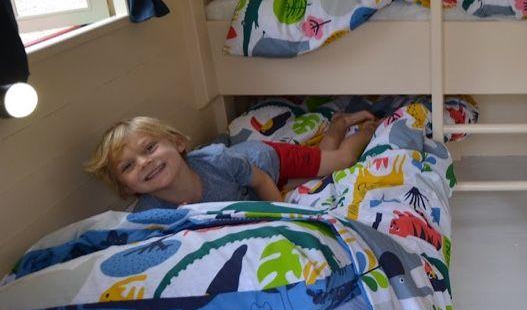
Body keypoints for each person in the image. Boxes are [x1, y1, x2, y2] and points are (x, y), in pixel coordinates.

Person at [85, 112, 379, 211]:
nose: (143, 163)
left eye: (149, 148)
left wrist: (279, 215)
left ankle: (365, 128)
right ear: (126, 188)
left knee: (340, 161)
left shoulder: (216, 160)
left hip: (266, 161)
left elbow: (261, 179)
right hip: (247, 186)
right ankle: (337, 126)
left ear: (178, 143)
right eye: (128, 166)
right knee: (318, 171)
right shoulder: (150, 212)